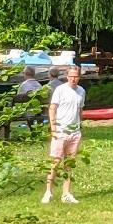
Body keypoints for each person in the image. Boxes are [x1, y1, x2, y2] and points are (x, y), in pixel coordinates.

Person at [42, 66, 86, 205]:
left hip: (74, 132)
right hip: (60, 131)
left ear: (79, 77)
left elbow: (80, 110)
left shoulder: (81, 91)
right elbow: (52, 109)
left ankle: (66, 193)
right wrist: (53, 128)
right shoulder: (60, 90)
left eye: (76, 76)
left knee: (69, 164)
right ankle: (48, 192)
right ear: (67, 77)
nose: (73, 79)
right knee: (55, 162)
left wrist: (80, 126)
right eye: (71, 76)